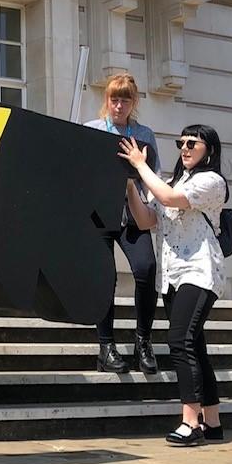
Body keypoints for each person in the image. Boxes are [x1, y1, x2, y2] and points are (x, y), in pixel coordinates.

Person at [119, 125, 229, 447]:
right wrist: (129, 182)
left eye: (192, 142)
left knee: (179, 340)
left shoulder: (211, 182)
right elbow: (145, 220)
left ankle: (190, 422)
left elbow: (168, 199)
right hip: (171, 276)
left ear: (208, 148)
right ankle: (213, 422)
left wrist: (141, 165)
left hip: (200, 270)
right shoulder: (172, 182)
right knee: (195, 345)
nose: (185, 147)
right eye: (181, 142)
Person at [84, 74, 160, 375]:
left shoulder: (144, 134)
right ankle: (106, 346)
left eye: (125, 99)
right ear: (106, 100)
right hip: (100, 213)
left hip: (132, 212)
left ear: (134, 102)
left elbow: (153, 177)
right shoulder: (91, 130)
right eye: (114, 99)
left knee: (146, 269)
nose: (118, 105)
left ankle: (143, 341)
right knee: (105, 277)